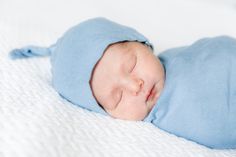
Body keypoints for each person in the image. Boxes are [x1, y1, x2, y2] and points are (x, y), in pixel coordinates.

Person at [9, 17, 236, 149]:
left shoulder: (181, 57)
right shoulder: (167, 120)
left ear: (143, 43)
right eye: (117, 97)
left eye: (132, 64)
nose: (134, 86)